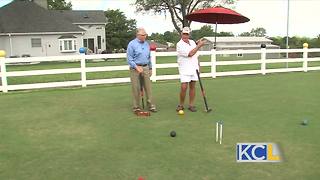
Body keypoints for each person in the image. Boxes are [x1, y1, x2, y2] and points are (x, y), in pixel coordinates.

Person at [127, 27, 157, 113]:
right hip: (135, 68)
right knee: (136, 88)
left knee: (148, 87)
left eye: (146, 35)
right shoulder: (131, 44)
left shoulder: (146, 44)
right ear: (138, 35)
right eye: (143, 35)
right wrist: (136, 67)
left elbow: (149, 57)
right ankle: (136, 107)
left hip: (146, 67)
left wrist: (150, 68)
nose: (145, 36)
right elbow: (129, 59)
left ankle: (151, 105)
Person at [176, 27, 205, 112]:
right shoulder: (179, 44)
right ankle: (181, 105)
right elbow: (190, 54)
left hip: (194, 67)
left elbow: (196, 55)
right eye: (184, 34)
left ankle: (191, 105)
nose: (185, 35)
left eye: (187, 34)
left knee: (192, 86)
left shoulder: (192, 42)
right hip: (184, 68)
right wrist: (199, 45)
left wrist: (199, 65)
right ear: (181, 34)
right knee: (184, 87)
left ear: (189, 34)